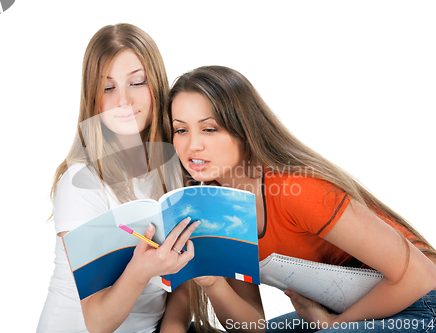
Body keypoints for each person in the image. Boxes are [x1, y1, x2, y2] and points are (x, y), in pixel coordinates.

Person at [163, 65, 436, 332]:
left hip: (420, 301)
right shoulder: (215, 204)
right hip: (347, 308)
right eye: (181, 130)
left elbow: (421, 275)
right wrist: (213, 283)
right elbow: (252, 328)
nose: (192, 146)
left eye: (209, 129)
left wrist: (335, 324)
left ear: (245, 129)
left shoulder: (295, 189)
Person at [37, 23, 206, 333]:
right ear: (93, 100)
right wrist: (140, 271)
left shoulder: (178, 167)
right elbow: (98, 322)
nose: (123, 100)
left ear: (156, 86)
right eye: (107, 87)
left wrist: (173, 329)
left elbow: (185, 278)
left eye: (137, 82)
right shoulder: (80, 182)